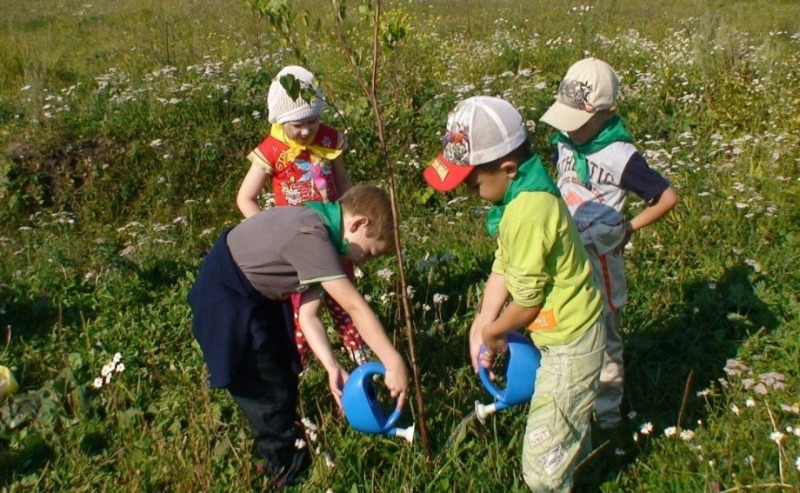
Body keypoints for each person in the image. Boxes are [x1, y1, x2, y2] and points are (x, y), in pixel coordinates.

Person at [423, 96, 605, 492]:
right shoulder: (519, 195)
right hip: (563, 336)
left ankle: (554, 480)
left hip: (571, 345)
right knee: (566, 426)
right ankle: (576, 468)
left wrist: (493, 335)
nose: (468, 192)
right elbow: (503, 266)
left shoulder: (527, 213)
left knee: (541, 469)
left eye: (472, 183)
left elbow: (526, 304)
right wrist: (482, 322)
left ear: (507, 169)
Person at [188, 185, 409, 486]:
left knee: (285, 368)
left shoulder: (319, 223)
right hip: (226, 299)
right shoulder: (312, 236)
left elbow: (308, 315)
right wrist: (393, 361)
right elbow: (354, 307)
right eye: (369, 252)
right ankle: (287, 473)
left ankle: (281, 452)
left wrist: (331, 366)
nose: (363, 262)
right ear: (358, 224)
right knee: (265, 389)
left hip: (257, 295)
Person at [540, 57, 678, 431]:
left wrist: (628, 228)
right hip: (567, 254)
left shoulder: (620, 155)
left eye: (581, 122)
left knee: (605, 334)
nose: (574, 130)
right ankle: (570, 396)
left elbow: (666, 197)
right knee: (570, 325)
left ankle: (607, 414)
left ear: (609, 111)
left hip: (600, 258)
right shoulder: (564, 143)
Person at [236, 65, 370, 367]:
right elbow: (245, 197)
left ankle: (359, 355)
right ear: (280, 120)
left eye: (312, 120)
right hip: (296, 245)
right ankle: (301, 364)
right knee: (302, 308)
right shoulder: (272, 150)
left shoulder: (328, 140)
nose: (307, 130)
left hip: (334, 235)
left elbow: (344, 182)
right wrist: (268, 232)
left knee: (345, 298)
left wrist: (352, 220)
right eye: (297, 125)